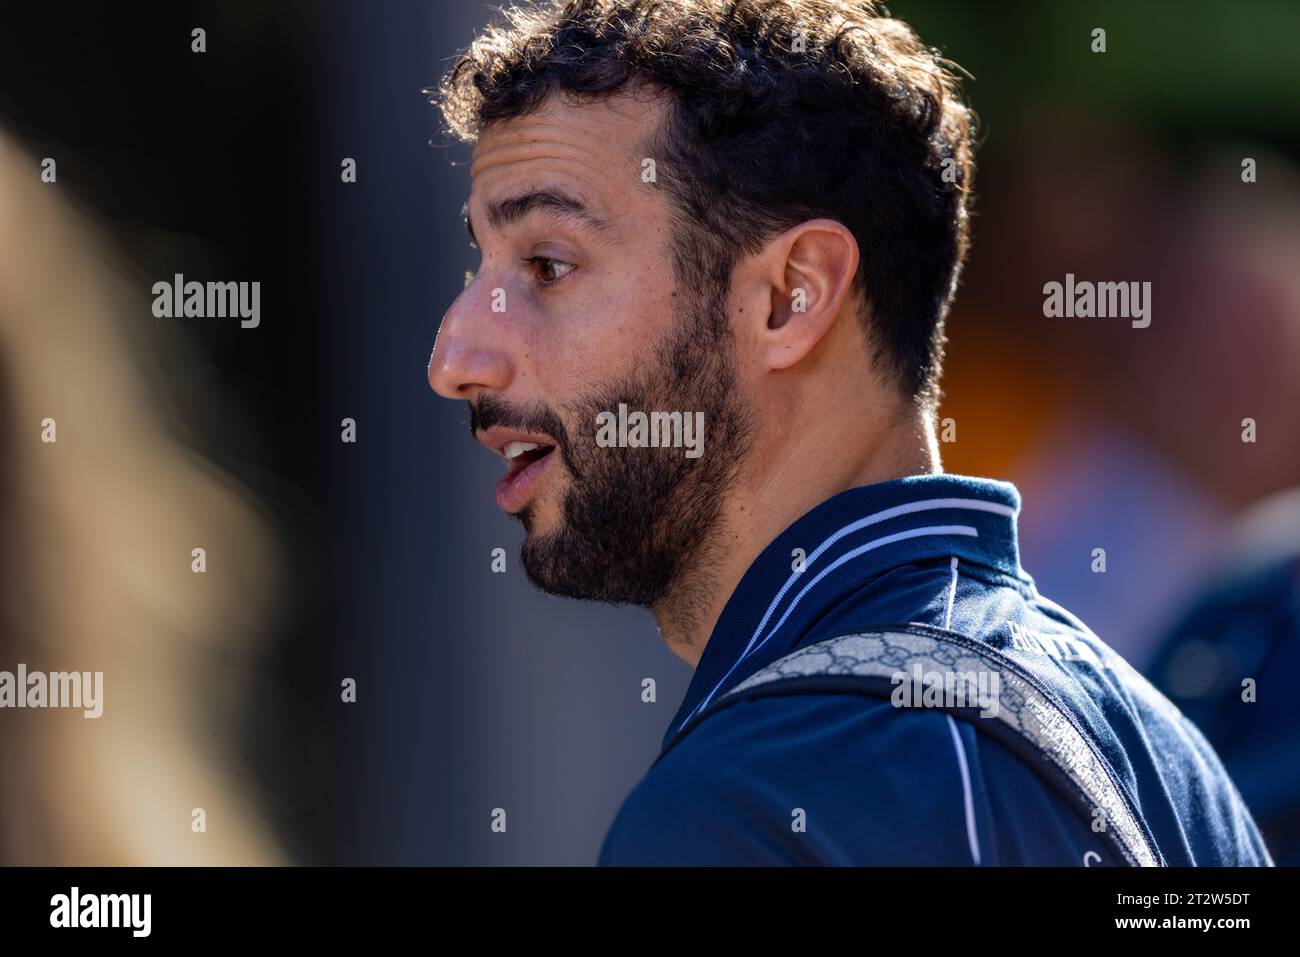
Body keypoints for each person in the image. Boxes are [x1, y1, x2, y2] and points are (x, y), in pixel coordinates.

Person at [426, 0, 1271, 865]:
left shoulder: (743, 809)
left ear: (794, 296)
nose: (454, 357)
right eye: (478, 268)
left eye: (548, 266)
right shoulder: (1174, 768)